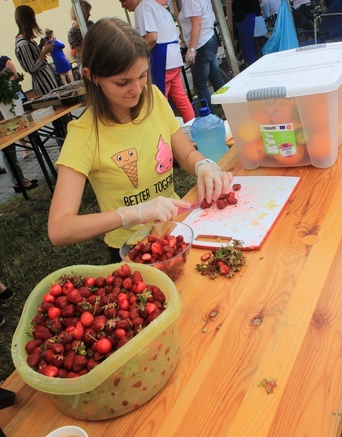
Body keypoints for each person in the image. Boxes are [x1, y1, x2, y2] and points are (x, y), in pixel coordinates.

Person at [48, 18, 232, 262]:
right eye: (122, 82)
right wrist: (130, 214)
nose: (136, 89)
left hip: (177, 229)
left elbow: (186, 154)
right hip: (134, 250)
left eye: (142, 75)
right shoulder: (84, 134)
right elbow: (60, 229)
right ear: (91, 76)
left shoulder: (153, 97)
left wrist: (202, 166)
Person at [113, 0, 195, 122]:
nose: (122, 5)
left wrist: (135, 56)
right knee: (181, 99)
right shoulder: (152, 4)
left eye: (123, 0)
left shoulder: (142, 8)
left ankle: (165, 135)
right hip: (172, 57)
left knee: (158, 102)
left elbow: (151, 37)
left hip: (162, 58)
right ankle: (194, 127)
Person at [171, 0, 225, 114]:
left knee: (200, 87)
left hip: (201, 44)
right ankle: (227, 109)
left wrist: (191, 49)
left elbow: (197, 23)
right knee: (216, 79)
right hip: (209, 39)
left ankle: (211, 117)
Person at [0, 55, 38, 192]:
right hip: (5, 108)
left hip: (11, 103)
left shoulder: (3, 60)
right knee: (7, 147)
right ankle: (18, 180)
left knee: (9, 147)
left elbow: (15, 77)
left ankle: (19, 179)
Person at [14, 5, 58, 96]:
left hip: (47, 79)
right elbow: (31, 69)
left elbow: (33, 58)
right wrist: (44, 52)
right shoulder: (23, 44)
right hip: (43, 83)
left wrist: (41, 46)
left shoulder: (27, 40)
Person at [230, 0, 263, 64]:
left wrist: (233, 19)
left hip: (248, 23)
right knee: (248, 50)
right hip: (245, 23)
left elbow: (242, 11)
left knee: (250, 50)